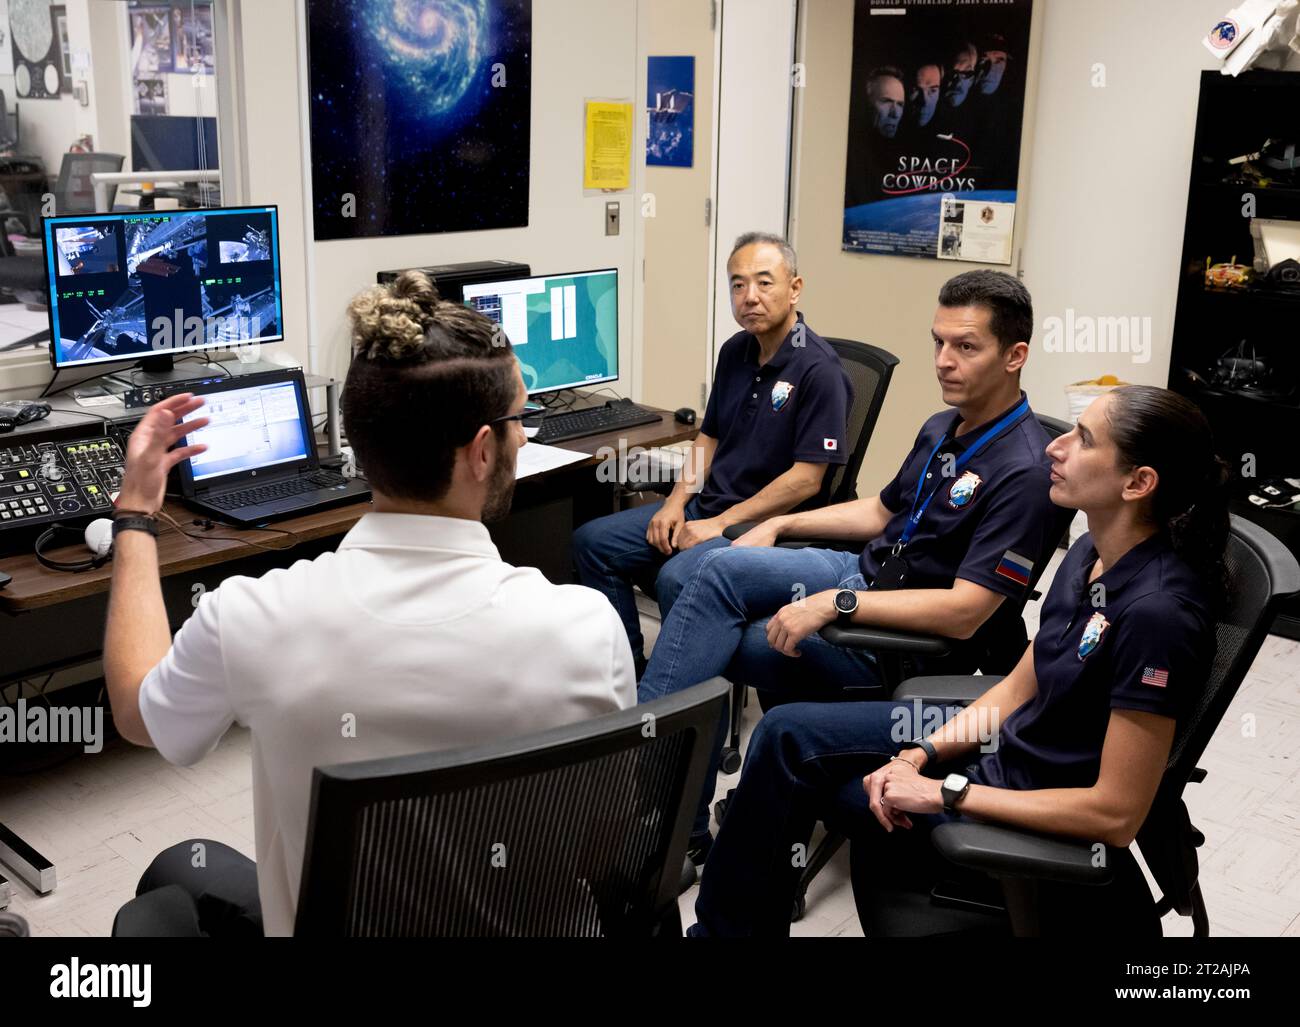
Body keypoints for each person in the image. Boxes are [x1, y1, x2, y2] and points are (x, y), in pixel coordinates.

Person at [106, 271, 636, 937]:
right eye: (518, 420)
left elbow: (135, 713)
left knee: (177, 867)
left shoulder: (250, 617)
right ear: (479, 451)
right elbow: (602, 851)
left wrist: (134, 515)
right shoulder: (587, 629)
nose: (524, 437)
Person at [689, 386, 1227, 936]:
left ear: (1138, 483)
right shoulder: (1092, 553)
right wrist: (920, 753)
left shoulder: (1160, 615)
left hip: (1023, 820)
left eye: (1083, 440)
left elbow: (1115, 816)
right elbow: (1019, 687)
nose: (1054, 448)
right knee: (786, 735)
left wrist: (945, 791)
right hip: (1000, 756)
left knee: (807, 788)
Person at [640, 270, 1062, 883]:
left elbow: (967, 611)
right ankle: (679, 807)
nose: (944, 361)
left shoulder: (1024, 472)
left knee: (721, 628)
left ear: (1015, 356)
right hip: (862, 574)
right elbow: (881, 512)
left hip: (905, 643)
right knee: (699, 572)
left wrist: (833, 606)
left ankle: (661, 815)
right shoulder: (944, 425)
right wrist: (783, 523)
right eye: (938, 342)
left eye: (965, 347)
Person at [573, 233, 852, 678]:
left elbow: (807, 480)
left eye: (764, 283)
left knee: (677, 577)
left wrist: (720, 524)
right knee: (594, 543)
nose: (750, 297)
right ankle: (630, 674)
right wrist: (675, 503)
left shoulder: (820, 371)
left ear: (795, 288)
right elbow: (709, 438)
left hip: (759, 527)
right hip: (709, 506)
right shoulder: (736, 350)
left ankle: (691, 699)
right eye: (738, 285)